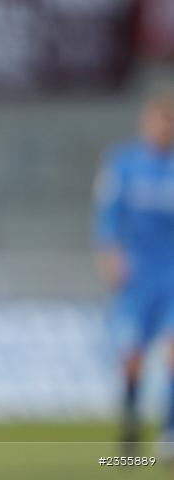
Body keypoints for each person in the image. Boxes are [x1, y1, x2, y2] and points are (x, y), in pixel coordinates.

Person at [93, 92, 174, 455]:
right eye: (160, 121)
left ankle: (169, 432)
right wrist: (110, 254)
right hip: (137, 276)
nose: (165, 129)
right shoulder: (123, 164)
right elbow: (108, 215)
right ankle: (130, 426)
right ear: (147, 123)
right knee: (133, 355)